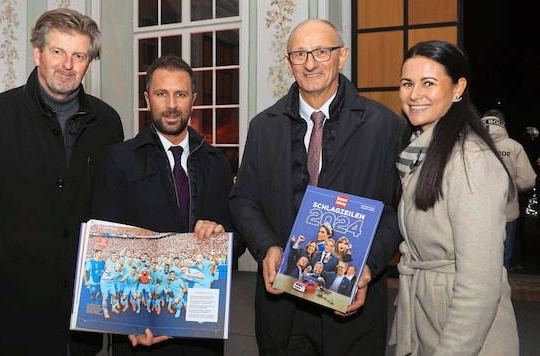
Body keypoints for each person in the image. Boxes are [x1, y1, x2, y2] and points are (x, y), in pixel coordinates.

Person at [0, 8, 124, 355]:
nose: (67, 64)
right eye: (58, 51)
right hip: (8, 308)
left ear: (89, 62)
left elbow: (111, 209)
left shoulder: (108, 124)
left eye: (79, 55)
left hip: (82, 309)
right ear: (37, 52)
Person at [229, 19, 403, 355]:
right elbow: (243, 200)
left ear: (342, 56)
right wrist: (267, 248)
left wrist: (366, 269)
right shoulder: (263, 127)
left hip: (352, 306)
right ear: (288, 62)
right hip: (282, 308)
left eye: (321, 52)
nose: (310, 63)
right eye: (300, 54)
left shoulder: (384, 126)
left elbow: (398, 210)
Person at [92, 54, 233, 355]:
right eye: (161, 94)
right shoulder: (119, 160)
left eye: (180, 94)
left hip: (200, 328)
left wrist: (221, 234)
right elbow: (108, 245)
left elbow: (235, 238)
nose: (171, 105)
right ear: (147, 99)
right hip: (141, 331)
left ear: (193, 99)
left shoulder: (217, 163)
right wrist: (131, 321)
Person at [390, 40, 519, 355]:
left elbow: (479, 286)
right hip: (430, 319)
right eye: (408, 83)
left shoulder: (470, 159)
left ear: (458, 87)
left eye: (428, 83)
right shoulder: (425, 149)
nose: (414, 94)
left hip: (462, 336)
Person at [481, 109, 536, 270]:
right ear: (503, 124)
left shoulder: (470, 144)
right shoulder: (514, 146)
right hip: (507, 210)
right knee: (502, 263)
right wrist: (511, 184)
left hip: (475, 211)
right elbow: (527, 180)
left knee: (478, 258)